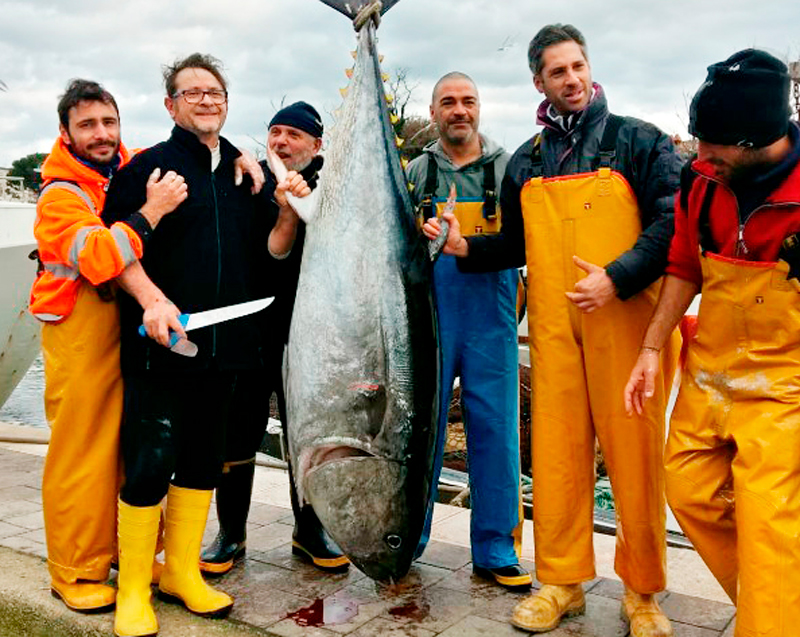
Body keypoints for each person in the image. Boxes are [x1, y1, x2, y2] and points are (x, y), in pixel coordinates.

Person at [423, 25, 682, 637]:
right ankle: (561, 581)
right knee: (559, 459)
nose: (572, 80)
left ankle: (643, 593)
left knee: (635, 459)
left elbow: (673, 227)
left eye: (578, 67)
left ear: (589, 70)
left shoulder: (639, 142)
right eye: (558, 72)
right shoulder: (529, 160)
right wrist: (465, 247)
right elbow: (514, 244)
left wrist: (616, 278)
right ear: (538, 81)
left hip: (625, 323)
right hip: (555, 332)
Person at [101, 53, 308, 637]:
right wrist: (151, 301)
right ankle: (135, 591)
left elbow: (268, 255)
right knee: (149, 466)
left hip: (226, 350)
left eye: (214, 91)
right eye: (191, 92)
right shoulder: (145, 168)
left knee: (200, 464)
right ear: (170, 105)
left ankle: (184, 573)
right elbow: (116, 256)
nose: (206, 99)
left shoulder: (246, 176)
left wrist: (287, 216)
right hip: (159, 345)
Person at [625, 49, 800, 637]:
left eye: (714, 147)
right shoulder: (700, 181)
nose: (700, 158)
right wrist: (651, 348)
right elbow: (682, 266)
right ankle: (775, 608)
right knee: (690, 490)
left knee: (770, 524)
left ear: (757, 141)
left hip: (785, 389)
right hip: (711, 371)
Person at [30, 78, 187, 614]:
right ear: (66, 133)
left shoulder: (125, 166)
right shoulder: (60, 195)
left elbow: (184, 152)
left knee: (130, 442)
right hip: (78, 328)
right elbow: (99, 255)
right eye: (88, 125)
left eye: (109, 122)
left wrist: (247, 163)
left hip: (120, 326)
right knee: (83, 449)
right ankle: (75, 569)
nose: (101, 134)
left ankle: (132, 550)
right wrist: (153, 210)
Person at [199, 101, 349, 575]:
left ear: (316, 145)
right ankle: (231, 533)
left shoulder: (337, 186)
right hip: (250, 327)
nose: (282, 142)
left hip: (314, 334)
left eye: (294, 135)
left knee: (311, 432)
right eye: (275, 133)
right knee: (237, 429)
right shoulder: (249, 179)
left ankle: (310, 531)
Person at [405, 72, 530, 591]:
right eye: (449, 102)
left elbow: (525, 246)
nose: (460, 110)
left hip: (491, 319)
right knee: (421, 430)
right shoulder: (413, 172)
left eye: (468, 101)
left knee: (496, 431)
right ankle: (406, 539)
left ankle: (497, 550)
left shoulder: (511, 169)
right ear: (434, 112)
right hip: (429, 319)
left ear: (480, 108)